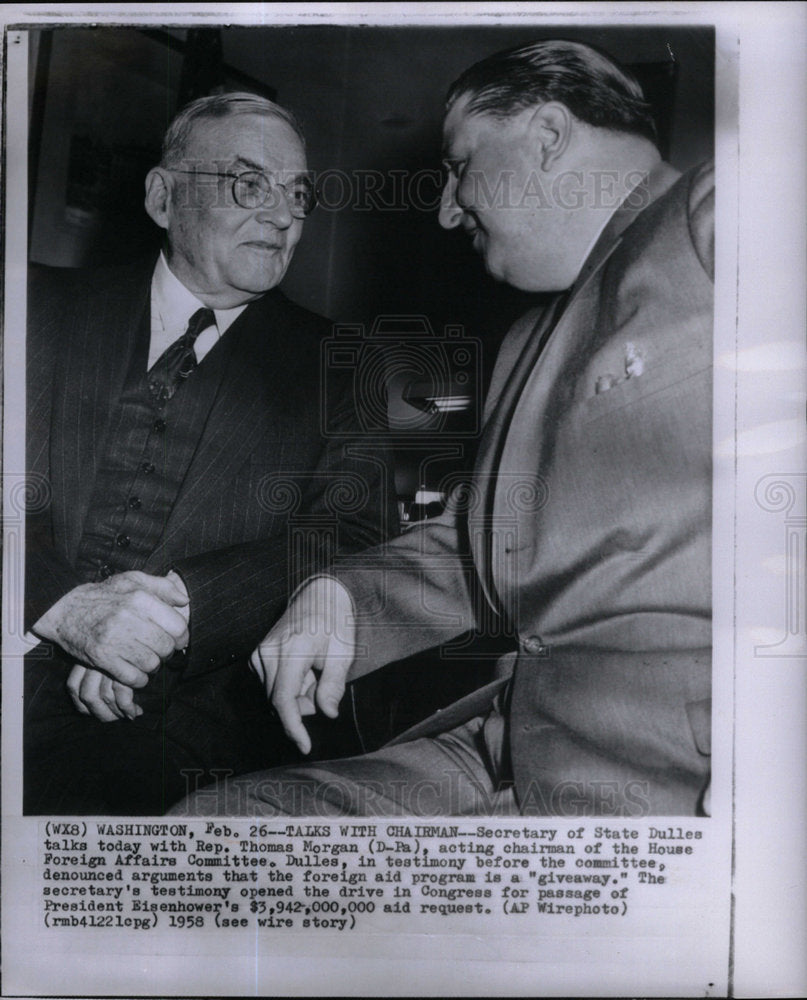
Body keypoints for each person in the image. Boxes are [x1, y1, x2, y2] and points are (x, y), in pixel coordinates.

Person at [173, 40, 713, 819]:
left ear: (548, 137)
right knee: (213, 827)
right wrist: (342, 597)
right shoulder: (526, 338)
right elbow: (488, 538)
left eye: (459, 165)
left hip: (667, 778)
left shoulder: (715, 217)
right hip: (503, 751)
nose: (445, 207)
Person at [24, 92, 396, 815]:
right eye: (248, 184)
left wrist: (170, 620)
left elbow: (350, 535)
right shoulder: (32, 307)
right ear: (163, 197)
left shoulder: (345, 365)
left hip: (172, 717)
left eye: (298, 194)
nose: (285, 215)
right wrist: (65, 608)